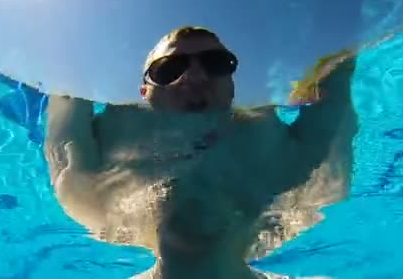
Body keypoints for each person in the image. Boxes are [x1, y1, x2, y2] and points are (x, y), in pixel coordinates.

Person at [44, 26, 358, 279]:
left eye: (215, 64)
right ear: (143, 91)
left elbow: (68, 75)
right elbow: (337, 80)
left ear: (232, 84)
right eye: (169, 69)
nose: (193, 77)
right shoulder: (298, 179)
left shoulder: (85, 193)